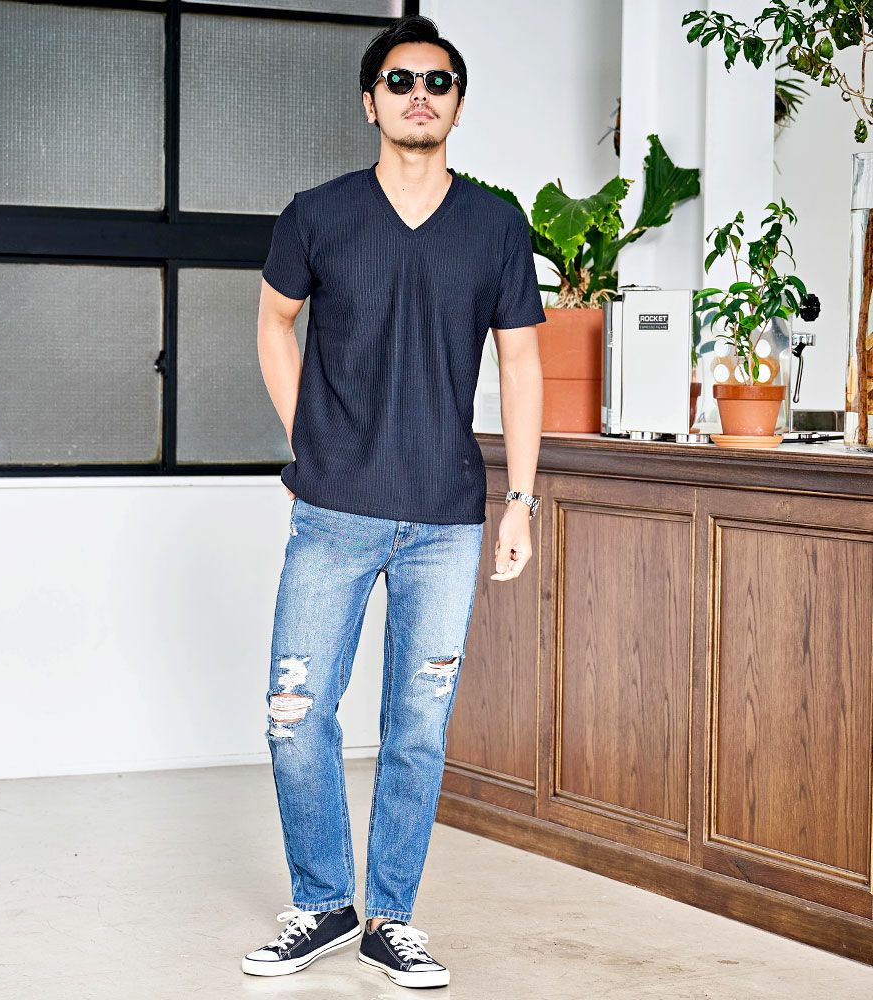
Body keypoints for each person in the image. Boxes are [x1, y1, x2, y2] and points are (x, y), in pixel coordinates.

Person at [244, 12, 545, 990]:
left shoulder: (494, 225)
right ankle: (323, 900)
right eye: (402, 80)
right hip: (333, 511)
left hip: (446, 519)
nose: (421, 94)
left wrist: (521, 500)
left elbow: (522, 365)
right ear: (370, 102)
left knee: (417, 730)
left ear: (458, 103)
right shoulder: (318, 214)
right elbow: (274, 321)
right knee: (297, 713)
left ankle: (391, 919)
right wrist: (309, 436)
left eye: (439, 81)